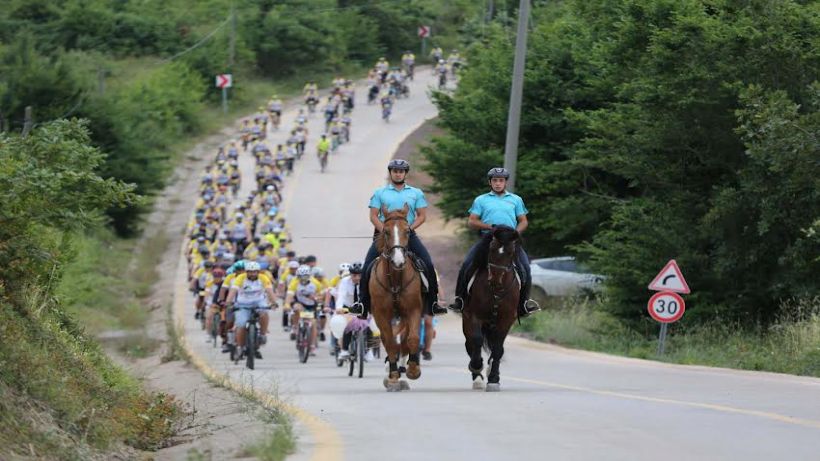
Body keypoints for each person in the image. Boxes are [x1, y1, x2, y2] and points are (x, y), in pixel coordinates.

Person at [349, 159, 447, 317]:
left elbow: (422, 216)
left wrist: (408, 229)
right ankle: (362, 303)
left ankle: (433, 302)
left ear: (405, 173)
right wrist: (387, 232)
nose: (398, 173)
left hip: (407, 234)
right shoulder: (380, 193)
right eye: (395, 171)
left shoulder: (416, 193)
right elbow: (373, 216)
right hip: (385, 235)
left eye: (401, 171)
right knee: (367, 266)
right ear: (391, 172)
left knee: (428, 263)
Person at [448, 167, 541, 317]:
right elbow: (472, 222)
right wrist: (490, 227)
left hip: (510, 241)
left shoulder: (516, 200)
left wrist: (515, 233)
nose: (498, 183)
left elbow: (524, 221)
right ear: (490, 182)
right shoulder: (481, 200)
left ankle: (524, 303)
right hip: (488, 239)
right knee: (467, 265)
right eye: (495, 181)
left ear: (505, 182)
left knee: (525, 268)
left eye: (501, 181)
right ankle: (460, 300)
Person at [226, 261, 277, 359]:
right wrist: (228, 302)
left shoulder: (263, 277)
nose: (252, 274)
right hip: (242, 304)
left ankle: (263, 334)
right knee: (241, 325)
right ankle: (240, 347)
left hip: (258, 302)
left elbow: (269, 291)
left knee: (264, 312)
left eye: (254, 272)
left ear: (258, 272)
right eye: (250, 272)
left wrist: (274, 302)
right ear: (246, 272)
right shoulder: (240, 278)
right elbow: (233, 291)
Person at [335, 262, 374, 362]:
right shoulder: (344, 282)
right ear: (350, 274)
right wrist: (339, 308)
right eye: (354, 275)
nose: (357, 278)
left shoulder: (368, 281)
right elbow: (341, 296)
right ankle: (344, 350)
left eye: (359, 275)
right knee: (348, 325)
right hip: (348, 307)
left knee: (369, 326)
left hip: (363, 307)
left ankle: (369, 350)